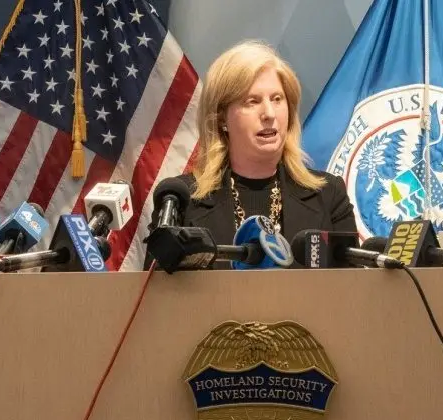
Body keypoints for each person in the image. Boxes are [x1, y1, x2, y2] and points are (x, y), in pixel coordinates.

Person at [150, 40, 356, 267]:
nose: (269, 113)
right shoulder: (180, 201)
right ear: (221, 118)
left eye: (277, 99)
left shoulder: (329, 195)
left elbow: (352, 291)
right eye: (252, 101)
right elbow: (156, 295)